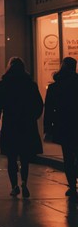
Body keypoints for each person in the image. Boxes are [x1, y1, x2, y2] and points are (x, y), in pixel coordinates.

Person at [0, 56, 43, 198]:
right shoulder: (31, 84)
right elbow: (38, 104)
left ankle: (14, 185)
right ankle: (24, 181)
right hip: (26, 124)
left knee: (11, 156)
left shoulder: (2, 85)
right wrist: (32, 117)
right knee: (25, 156)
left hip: (10, 124)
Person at [45, 56, 78, 199]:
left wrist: (48, 128)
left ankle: (72, 185)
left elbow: (49, 109)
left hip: (63, 125)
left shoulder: (55, 86)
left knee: (68, 156)